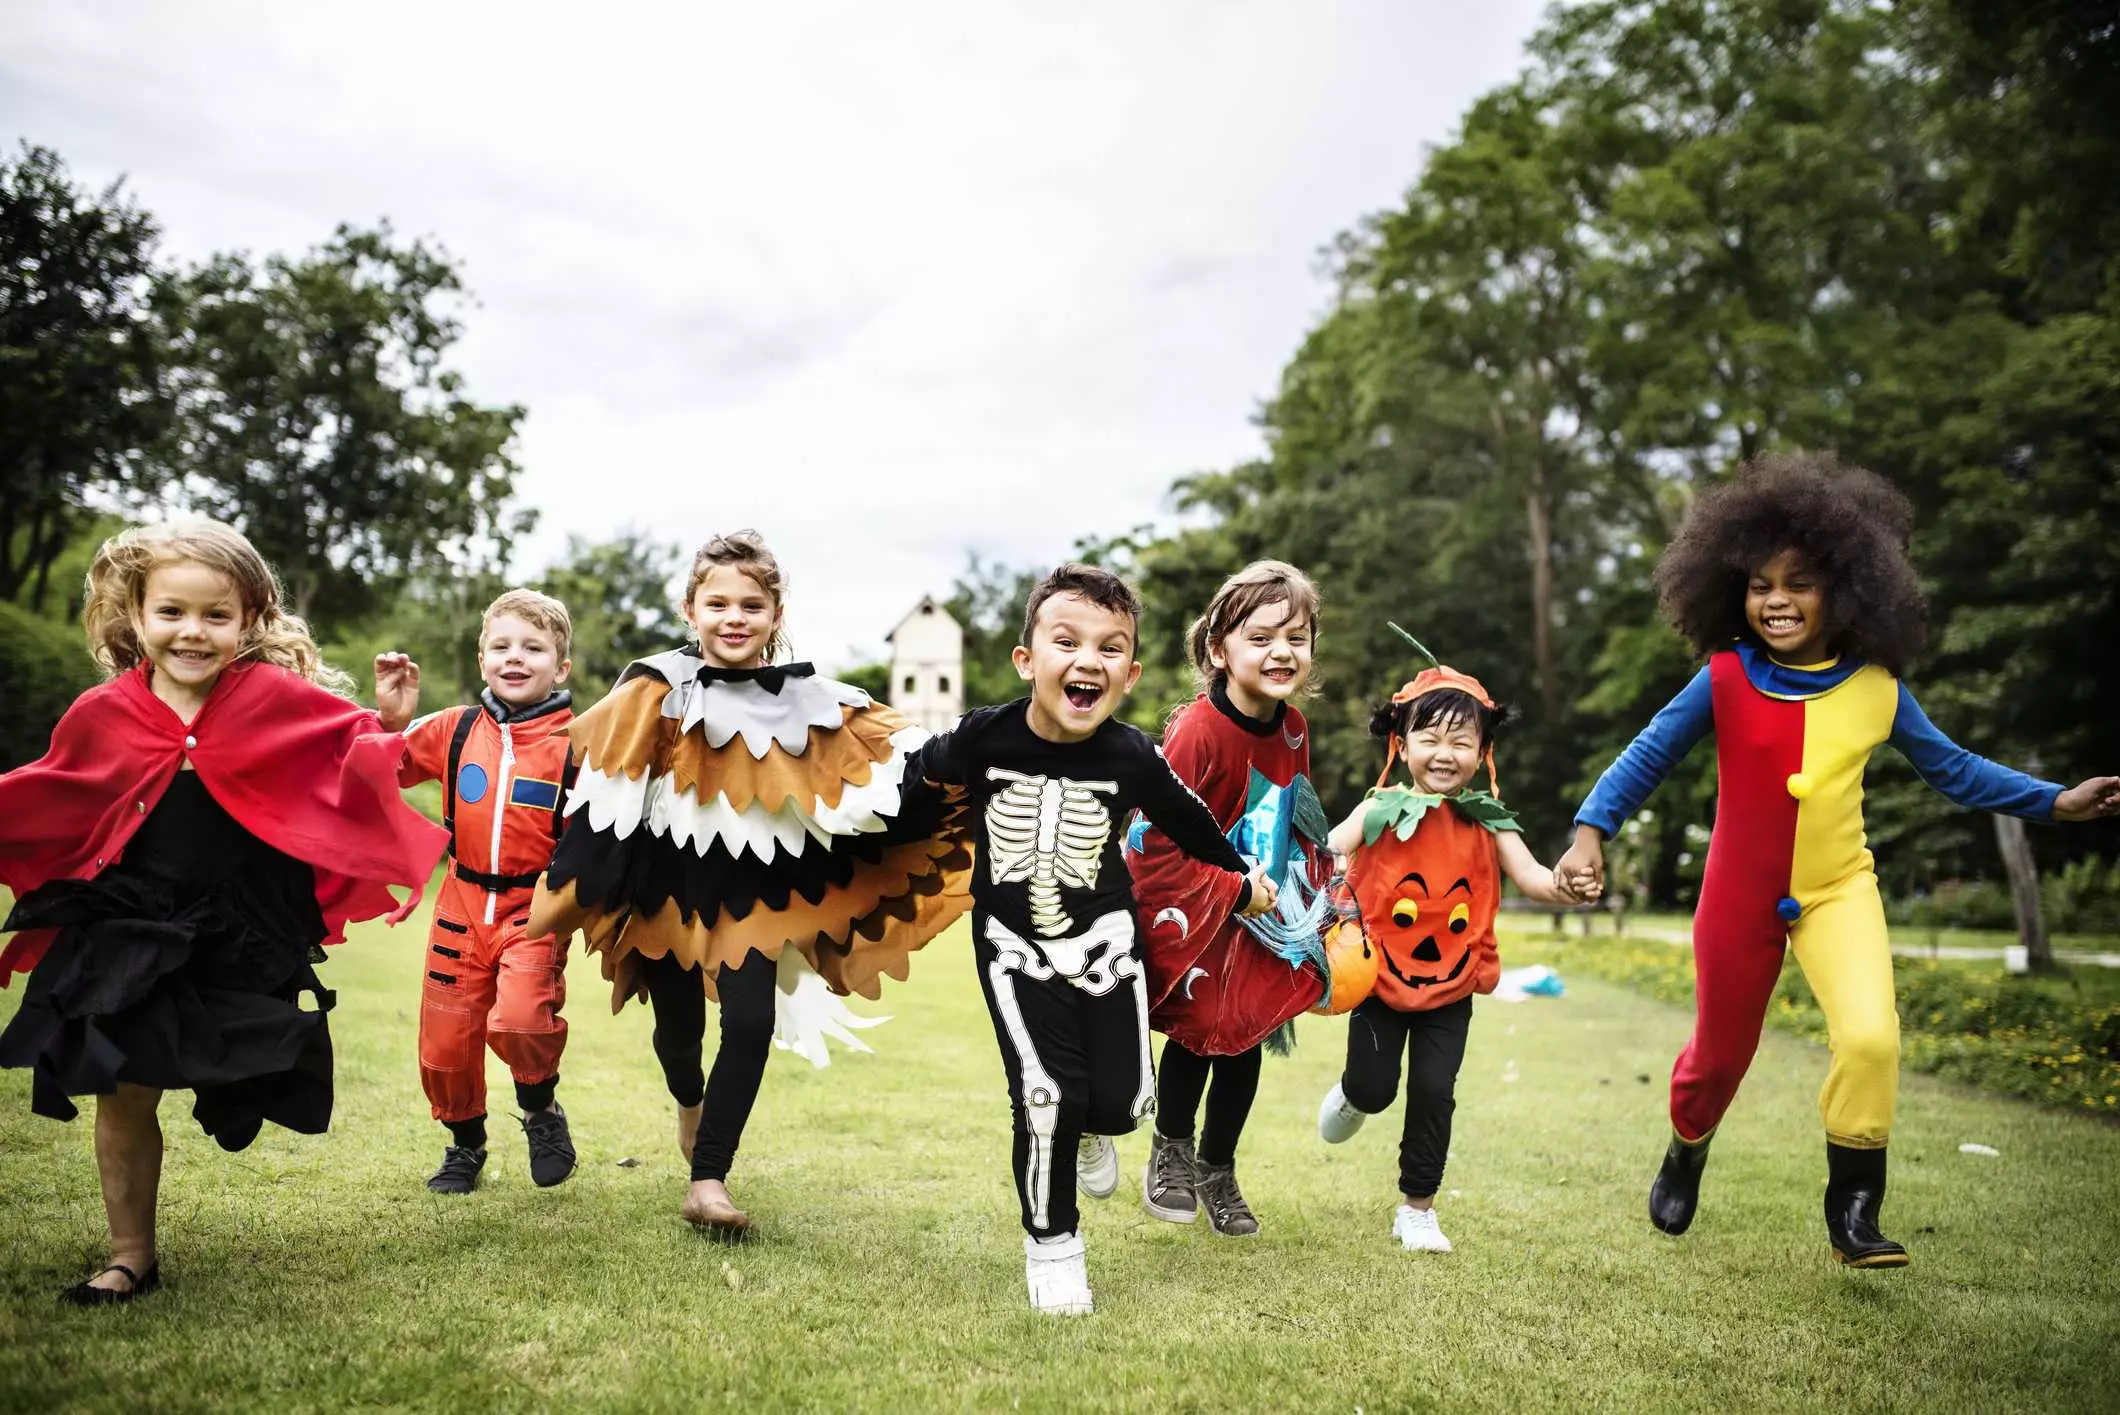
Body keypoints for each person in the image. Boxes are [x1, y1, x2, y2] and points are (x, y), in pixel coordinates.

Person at [1555, 454, 2120, 1266]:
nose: (1776, 600)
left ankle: (1854, 1206)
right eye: (1759, 584)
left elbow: (1956, 769)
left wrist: (2056, 798)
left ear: (1848, 589)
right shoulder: (1720, 677)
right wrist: (1590, 832)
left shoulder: (1879, 687)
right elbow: (1645, 756)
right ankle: (1687, 1146)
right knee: (1717, 1057)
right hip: (1737, 894)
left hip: (1837, 889)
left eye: (1799, 582)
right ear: (1732, 592)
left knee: (1870, 1038)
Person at [0, 519, 446, 1303]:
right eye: (172, 612)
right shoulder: (103, 711)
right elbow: (53, 787)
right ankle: (130, 1253)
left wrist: (390, 723)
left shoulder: (273, 697)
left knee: (243, 1083)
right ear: (134, 613)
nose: (192, 632)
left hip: (241, 925)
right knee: (124, 1083)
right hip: (130, 922)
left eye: (216, 615)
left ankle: (230, 1097)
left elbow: (351, 762)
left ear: (249, 620)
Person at [528, 530, 970, 1237]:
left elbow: (902, 751)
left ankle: (708, 1179)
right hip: (666, 889)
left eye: (752, 605)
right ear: (691, 608)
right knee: (679, 1032)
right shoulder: (654, 688)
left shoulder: (815, 699)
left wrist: (991, 746)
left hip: (756, 895)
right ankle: (688, 1101)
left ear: (774, 612)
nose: (735, 617)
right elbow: (574, 756)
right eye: (718, 602)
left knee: (752, 1023)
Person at [900, 563, 1275, 1315]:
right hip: (1011, 944)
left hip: (1106, 939)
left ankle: (1089, 1129)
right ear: (1026, 658)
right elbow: (912, 783)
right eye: (1065, 641)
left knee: (1119, 1103)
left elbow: (1190, 818)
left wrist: (1246, 876)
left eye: (1109, 648)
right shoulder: (982, 736)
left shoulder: (1130, 753)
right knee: (1045, 1096)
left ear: (1130, 673)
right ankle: (1053, 1246)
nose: (1086, 661)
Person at [1316, 654, 1581, 1254]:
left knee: (1435, 1092)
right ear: (1400, 744)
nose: (1444, 753)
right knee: (1376, 1087)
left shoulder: (1490, 821)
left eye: (1461, 741)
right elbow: (1327, 849)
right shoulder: (1378, 810)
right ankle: (1356, 1095)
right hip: (1378, 978)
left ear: (1483, 750)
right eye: (1429, 738)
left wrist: (1569, 883)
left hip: (1452, 985)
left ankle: (1418, 1209)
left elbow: (1535, 878)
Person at [1127, 560, 1333, 1238]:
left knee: (1245, 1039)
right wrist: (1227, 889)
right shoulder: (1196, 731)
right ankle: (1172, 1150)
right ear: (1220, 648)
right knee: (1199, 1031)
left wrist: (1317, 891)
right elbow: (1159, 837)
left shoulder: (1294, 727)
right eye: (1262, 636)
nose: (1282, 652)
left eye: (1297, 637)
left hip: (1263, 915)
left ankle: (1218, 1167)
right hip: (1199, 908)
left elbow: (1293, 813)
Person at [373, 588, 580, 1194]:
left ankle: (541, 1109)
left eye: (534, 648)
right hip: (460, 905)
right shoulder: (454, 728)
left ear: (560, 667)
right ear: (481, 657)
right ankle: (465, 1147)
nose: (515, 658)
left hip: (534, 910)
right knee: (446, 1042)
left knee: (521, 1021)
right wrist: (390, 720)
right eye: (502, 645)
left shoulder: (579, 742)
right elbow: (381, 767)